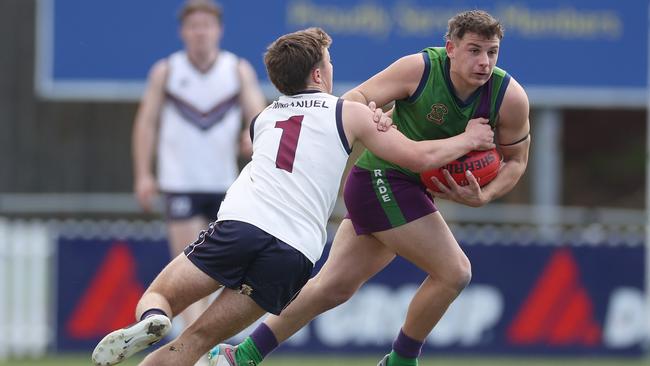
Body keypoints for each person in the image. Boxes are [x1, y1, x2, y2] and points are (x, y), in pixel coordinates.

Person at [91, 27, 495, 366]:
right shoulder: (347, 113)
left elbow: (302, 138)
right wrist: (469, 138)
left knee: (160, 295)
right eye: (329, 63)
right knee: (196, 342)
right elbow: (419, 155)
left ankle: (156, 317)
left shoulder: (263, 118)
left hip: (241, 225)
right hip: (294, 254)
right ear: (319, 74)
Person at [211, 9, 530, 366]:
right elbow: (356, 99)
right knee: (455, 272)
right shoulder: (420, 69)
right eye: (474, 50)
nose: (484, 62)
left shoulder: (509, 97)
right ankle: (401, 361)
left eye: (492, 51)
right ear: (450, 48)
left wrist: (486, 194)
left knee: (331, 288)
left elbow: (516, 161)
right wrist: (375, 115)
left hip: (403, 189)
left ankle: (241, 355)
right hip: (382, 178)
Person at [131, 0, 266, 338]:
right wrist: (143, 174)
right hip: (179, 182)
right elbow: (146, 124)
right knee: (185, 265)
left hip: (223, 184)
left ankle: (199, 342)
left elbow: (258, 115)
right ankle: (195, 347)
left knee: (217, 270)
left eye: (206, 25)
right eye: (194, 26)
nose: (200, 32)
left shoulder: (236, 70)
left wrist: (250, 136)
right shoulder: (167, 71)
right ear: (183, 32)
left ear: (218, 30)